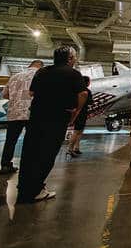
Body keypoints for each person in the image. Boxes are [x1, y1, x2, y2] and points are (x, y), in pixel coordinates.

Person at [17, 46, 87, 203]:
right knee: (47, 154)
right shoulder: (73, 74)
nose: (75, 60)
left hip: (36, 117)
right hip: (57, 118)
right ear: (70, 59)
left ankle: (23, 187)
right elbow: (83, 93)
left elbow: (32, 92)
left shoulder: (42, 71)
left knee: (30, 153)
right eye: (74, 57)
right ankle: (36, 189)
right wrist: (75, 113)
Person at [0, 60, 43, 174]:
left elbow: (4, 94)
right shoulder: (40, 75)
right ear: (40, 66)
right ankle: (28, 166)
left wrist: (15, 99)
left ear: (30, 65)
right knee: (32, 140)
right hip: (32, 112)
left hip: (14, 112)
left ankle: (5, 165)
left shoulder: (15, 76)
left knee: (10, 141)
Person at [67, 75, 93, 157]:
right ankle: (70, 149)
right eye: (89, 81)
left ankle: (76, 148)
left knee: (79, 131)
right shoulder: (86, 91)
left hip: (76, 112)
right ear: (87, 82)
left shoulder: (75, 90)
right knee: (77, 131)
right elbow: (90, 102)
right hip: (81, 113)